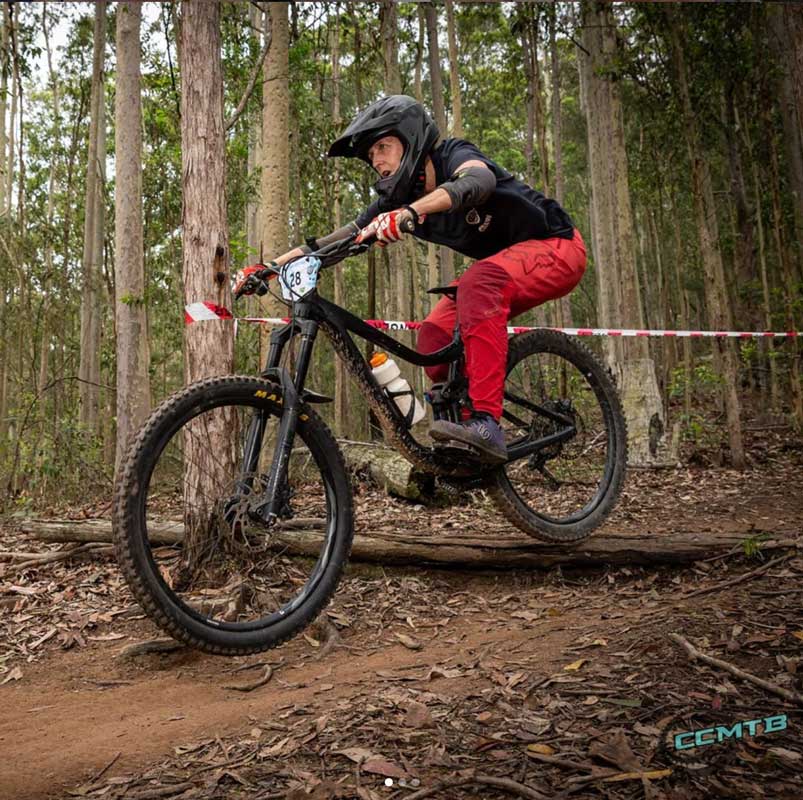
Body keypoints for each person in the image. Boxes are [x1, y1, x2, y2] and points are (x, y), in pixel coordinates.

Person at [247, 95, 586, 464]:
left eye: (382, 147)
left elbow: (479, 179)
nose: (376, 161)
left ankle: (487, 423)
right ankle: (453, 434)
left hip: (557, 246)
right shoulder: (398, 197)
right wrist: (268, 266)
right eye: (371, 156)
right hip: (505, 266)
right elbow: (339, 238)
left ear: (410, 140)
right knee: (433, 334)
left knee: (478, 282)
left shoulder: (452, 155)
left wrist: (412, 212)